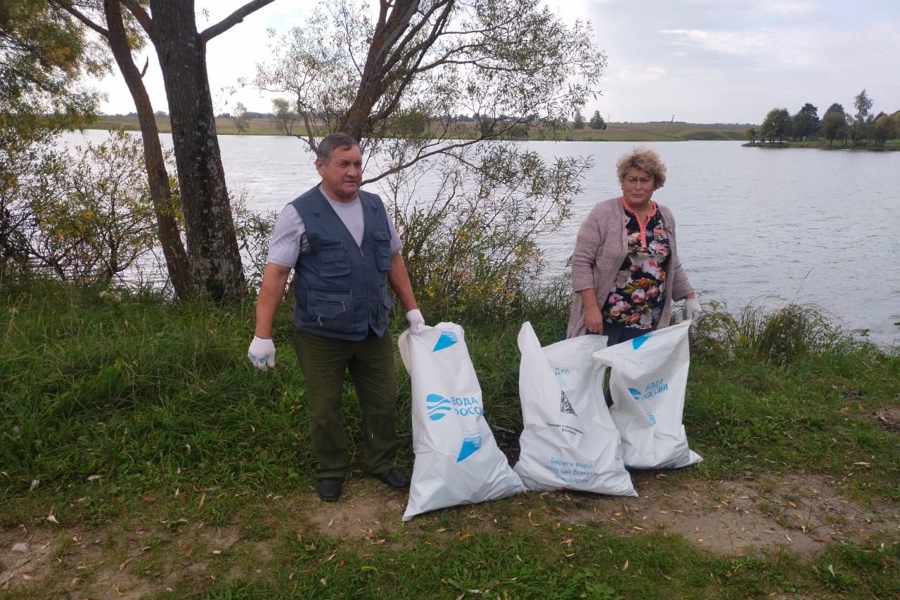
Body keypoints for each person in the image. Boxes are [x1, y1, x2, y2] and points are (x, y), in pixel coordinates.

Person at [247, 132, 425, 503]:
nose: (353, 171)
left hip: (373, 328)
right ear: (321, 166)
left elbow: (394, 261)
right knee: (325, 406)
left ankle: (381, 461)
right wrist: (262, 334)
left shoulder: (376, 207)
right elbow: (276, 275)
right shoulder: (298, 213)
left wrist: (413, 309)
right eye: (343, 164)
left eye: (357, 163)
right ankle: (331, 469)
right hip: (321, 333)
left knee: (383, 400)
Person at [567, 148, 700, 348]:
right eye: (632, 180)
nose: (638, 186)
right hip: (605, 321)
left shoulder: (665, 216)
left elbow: (671, 262)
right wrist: (591, 308)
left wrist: (689, 297)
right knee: (593, 374)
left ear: (656, 183)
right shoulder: (603, 213)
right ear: (622, 182)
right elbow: (581, 263)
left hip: (649, 322)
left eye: (645, 180)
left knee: (637, 377)